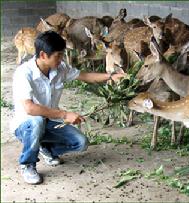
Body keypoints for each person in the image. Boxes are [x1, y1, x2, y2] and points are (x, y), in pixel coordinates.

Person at [11, 31, 125, 184]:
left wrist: (110, 76)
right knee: (36, 121)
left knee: (81, 142)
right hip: (26, 125)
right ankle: (27, 164)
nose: (61, 59)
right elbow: (29, 108)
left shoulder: (59, 68)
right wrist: (64, 114)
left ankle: (46, 148)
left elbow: (84, 76)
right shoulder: (24, 73)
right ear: (43, 55)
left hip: (49, 122)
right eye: (58, 55)